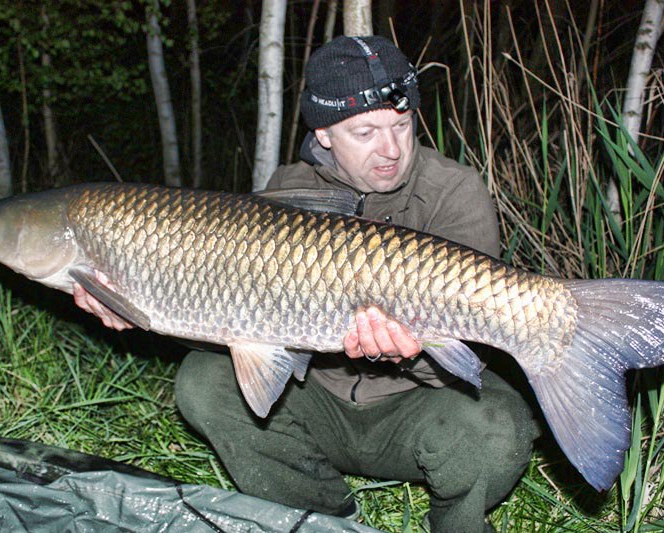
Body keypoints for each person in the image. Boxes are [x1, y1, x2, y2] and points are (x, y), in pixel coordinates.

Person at [74, 35, 539, 533]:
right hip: (318, 404)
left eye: (402, 126)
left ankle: (457, 524)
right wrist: (133, 306)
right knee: (203, 382)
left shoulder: (455, 192)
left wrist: (405, 351)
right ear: (323, 135)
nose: (391, 150)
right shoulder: (287, 194)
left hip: (417, 413)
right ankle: (320, 515)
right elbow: (232, 315)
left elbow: (467, 360)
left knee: (499, 431)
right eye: (365, 133)